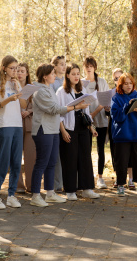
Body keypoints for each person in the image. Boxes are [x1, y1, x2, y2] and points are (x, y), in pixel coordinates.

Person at [30, 63, 89, 207]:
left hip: (53, 129)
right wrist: (76, 107)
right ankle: (35, 196)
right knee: (41, 163)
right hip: (43, 130)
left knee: (51, 163)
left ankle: (50, 194)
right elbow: (54, 109)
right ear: (45, 76)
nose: (55, 75)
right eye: (52, 73)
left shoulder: (49, 89)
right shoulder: (40, 91)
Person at [57, 63, 100, 201]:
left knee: (85, 158)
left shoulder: (84, 90)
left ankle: (87, 188)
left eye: (78, 74)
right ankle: (70, 190)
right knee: (70, 159)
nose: (76, 77)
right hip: (69, 128)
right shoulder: (61, 92)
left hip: (83, 128)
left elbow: (86, 112)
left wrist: (91, 128)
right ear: (67, 75)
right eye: (73, 74)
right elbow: (59, 113)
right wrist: (63, 131)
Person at [0, 55, 27, 209]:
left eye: (16, 69)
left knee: (17, 162)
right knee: (3, 163)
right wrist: (8, 100)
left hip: (17, 125)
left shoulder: (16, 83)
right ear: (4, 68)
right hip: (4, 126)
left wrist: (19, 89)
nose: (15, 71)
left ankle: (11, 195)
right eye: (12, 68)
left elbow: (23, 104)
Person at [111, 73, 137, 196]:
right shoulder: (116, 98)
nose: (128, 86)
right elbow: (117, 117)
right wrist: (127, 107)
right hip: (122, 135)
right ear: (120, 85)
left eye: (130, 83)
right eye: (125, 84)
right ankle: (121, 185)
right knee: (121, 161)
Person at [82, 56, 110, 189]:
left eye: (91, 66)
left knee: (100, 150)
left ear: (94, 67)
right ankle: (87, 177)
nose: (88, 69)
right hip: (85, 121)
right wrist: (88, 116)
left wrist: (93, 114)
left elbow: (105, 100)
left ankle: (100, 178)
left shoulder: (102, 81)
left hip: (100, 120)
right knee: (86, 150)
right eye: (86, 66)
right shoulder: (81, 82)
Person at [105, 68, 134, 188]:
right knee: (116, 152)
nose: (118, 80)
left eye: (120, 77)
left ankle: (131, 178)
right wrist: (107, 110)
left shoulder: (132, 92)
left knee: (130, 152)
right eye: (115, 79)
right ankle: (119, 178)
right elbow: (111, 113)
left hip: (129, 124)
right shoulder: (112, 93)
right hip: (115, 125)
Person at [17, 62, 37, 193]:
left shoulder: (33, 88)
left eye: (22, 71)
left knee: (31, 157)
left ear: (27, 73)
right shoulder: (12, 87)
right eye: (17, 71)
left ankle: (31, 185)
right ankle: (18, 186)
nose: (19, 74)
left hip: (30, 123)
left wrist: (29, 111)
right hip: (16, 123)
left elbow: (40, 105)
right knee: (16, 156)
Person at [50, 55, 66, 192]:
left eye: (65, 64)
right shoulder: (52, 81)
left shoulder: (68, 80)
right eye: (61, 64)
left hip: (69, 120)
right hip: (55, 120)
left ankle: (69, 182)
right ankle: (57, 184)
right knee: (56, 155)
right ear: (54, 66)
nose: (64, 66)